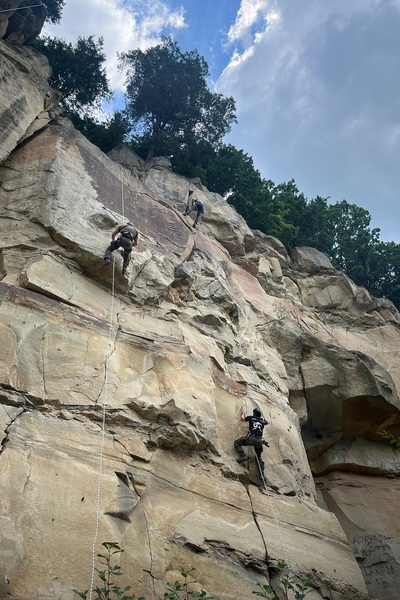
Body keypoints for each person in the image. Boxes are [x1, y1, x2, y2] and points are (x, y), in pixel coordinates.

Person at [234, 407, 269, 472]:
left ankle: (243, 456)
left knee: (237, 442)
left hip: (251, 438)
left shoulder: (251, 418)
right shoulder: (262, 421)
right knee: (258, 455)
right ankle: (260, 465)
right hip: (259, 441)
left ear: (254, 413)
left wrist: (242, 413)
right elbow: (267, 422)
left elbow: (242, 419)